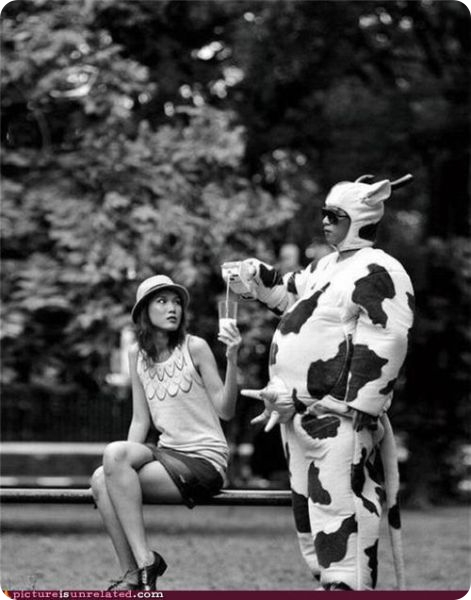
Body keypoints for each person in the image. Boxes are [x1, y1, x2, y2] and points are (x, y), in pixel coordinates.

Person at [232, 176, 415, 590]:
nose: (326, 222)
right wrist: (258, 280)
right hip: (298, 415)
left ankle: (347, 586)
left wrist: (359, 402)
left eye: (335, 216)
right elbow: (287, 297)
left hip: (338, 416)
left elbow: (388, 337)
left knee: (342, 504)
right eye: (324, 214)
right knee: (309, 510)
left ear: (360, 219)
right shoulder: (324, 267)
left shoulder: (379, 269)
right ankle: (330, 582)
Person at [91, 275, 241, 591]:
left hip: (204, 460)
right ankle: (134, 573)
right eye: (162, 301)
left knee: (110, 466)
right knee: (102, 477)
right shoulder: (137, 355)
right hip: (167, 453)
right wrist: (118, 472)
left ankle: (144, 565)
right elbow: (140, 420)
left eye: (176, 302)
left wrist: (232, 359)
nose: (172, 308)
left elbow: (225, 410)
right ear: (144, 311)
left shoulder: (195, 347)